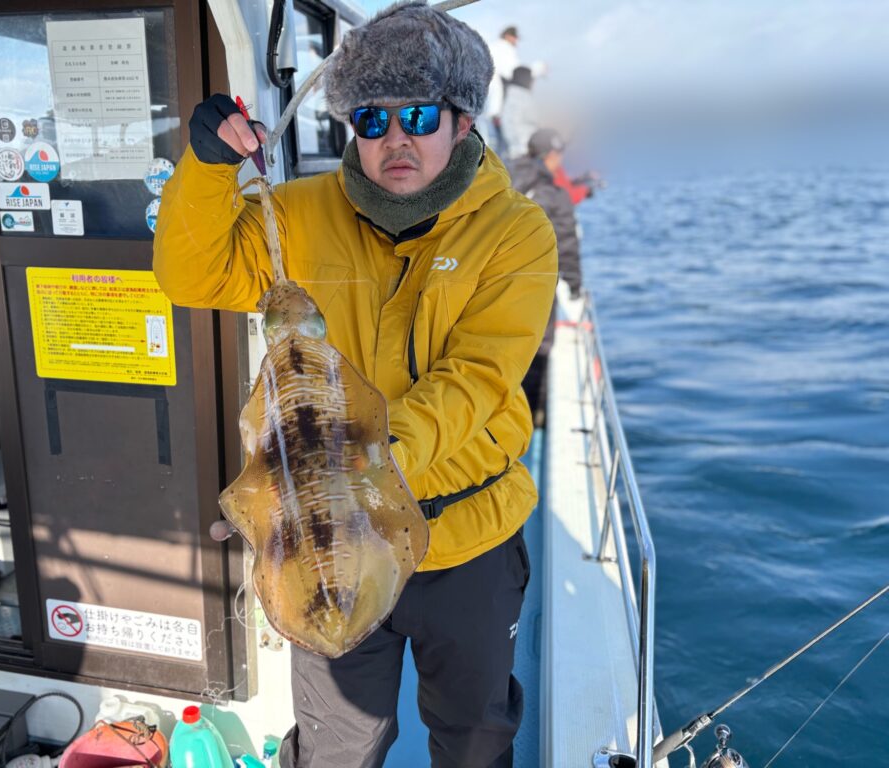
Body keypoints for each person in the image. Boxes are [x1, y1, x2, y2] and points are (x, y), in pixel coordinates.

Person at [152, 2, 558, 765]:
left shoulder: (516, 233)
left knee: (474, 735)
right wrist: (206, 166)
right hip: (325, 543)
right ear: (351, 128)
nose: (395, 138)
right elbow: (193, 273)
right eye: (372, 119)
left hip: (466, 540)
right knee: (336, 744)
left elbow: (477, 376)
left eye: (419, 116)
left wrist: (370, 455)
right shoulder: (298, 214)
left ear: (463, 121)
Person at [510, 128, 587, 426]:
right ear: (553, 157)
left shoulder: (500, 175)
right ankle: (530, 417)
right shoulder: (554, 195)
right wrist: (574, 285)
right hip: (535, 286)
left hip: (494, 282)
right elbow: (566, 244)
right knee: (538, 348)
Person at [480, 25, 520, 156]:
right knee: (495, 142)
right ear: (509, 36)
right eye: (515, 38)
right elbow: (512, 72)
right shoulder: (505, 48)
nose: (516, 41)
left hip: (484, 100)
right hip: (496, 102)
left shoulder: (491, 47)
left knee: (485, 134)